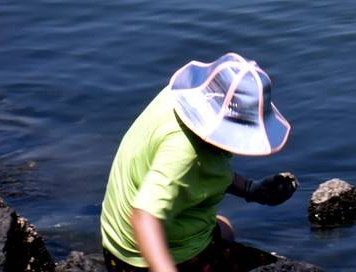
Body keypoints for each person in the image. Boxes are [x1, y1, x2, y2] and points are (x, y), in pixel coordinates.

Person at [100, 53, 298, 272]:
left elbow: (197, 171)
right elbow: (144, 217)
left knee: (226, 229)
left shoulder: (175, 100)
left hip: (117, 242)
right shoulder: (184, 153)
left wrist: (251, 189)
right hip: (142, 260)